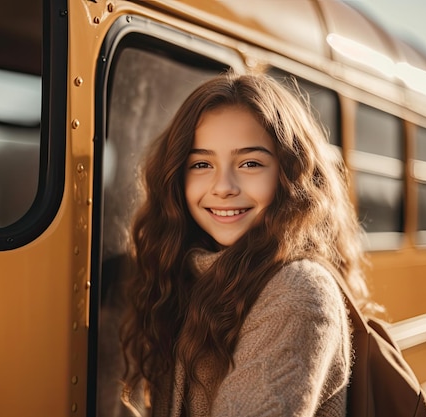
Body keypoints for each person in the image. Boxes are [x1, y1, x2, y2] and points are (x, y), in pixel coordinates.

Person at [119, 72, 373, 417]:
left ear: (289, 175)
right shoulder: (183, 274)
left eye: (250, 163)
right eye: (202, 164)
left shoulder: (296, 292)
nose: (223, 186)